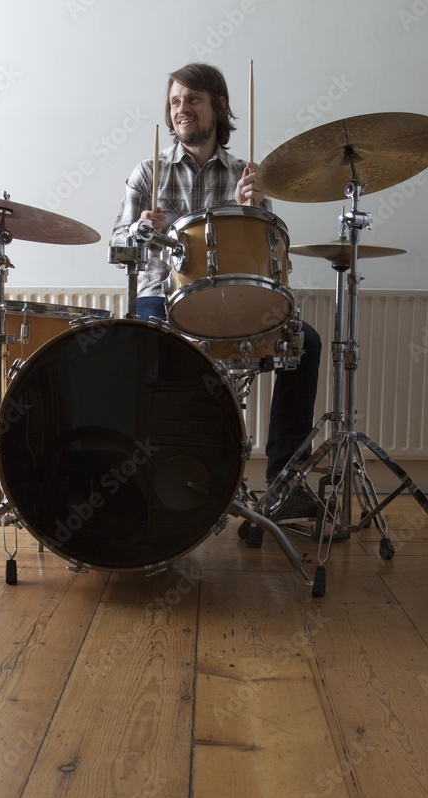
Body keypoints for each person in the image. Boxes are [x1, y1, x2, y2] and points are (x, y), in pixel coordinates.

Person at [110, 62, 321, 534]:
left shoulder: (249, 176)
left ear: (219, 106)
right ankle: (153, 482)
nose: (181, 109)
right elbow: (117, 247)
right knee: (141, 347)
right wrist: (144, 229)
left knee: (304, 342)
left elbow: (275, 261)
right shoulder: (148, 172)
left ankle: (284, 486)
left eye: (192, 99)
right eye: (175, 102)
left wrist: (256, 208)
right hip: (162, 299)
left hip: (238, 301)